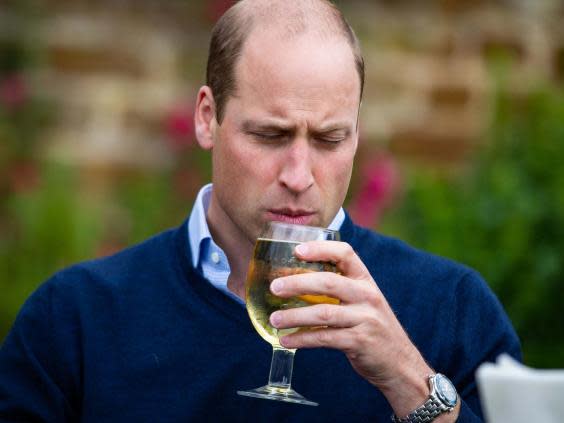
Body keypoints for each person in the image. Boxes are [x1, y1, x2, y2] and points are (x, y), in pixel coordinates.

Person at [0, 1, 520, 422]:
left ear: (356, 135)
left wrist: (409, 382)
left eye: (330, 138)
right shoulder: (75, 319)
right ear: (208, 118)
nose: (299, 174)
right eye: (270, 135)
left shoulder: (454, 309)